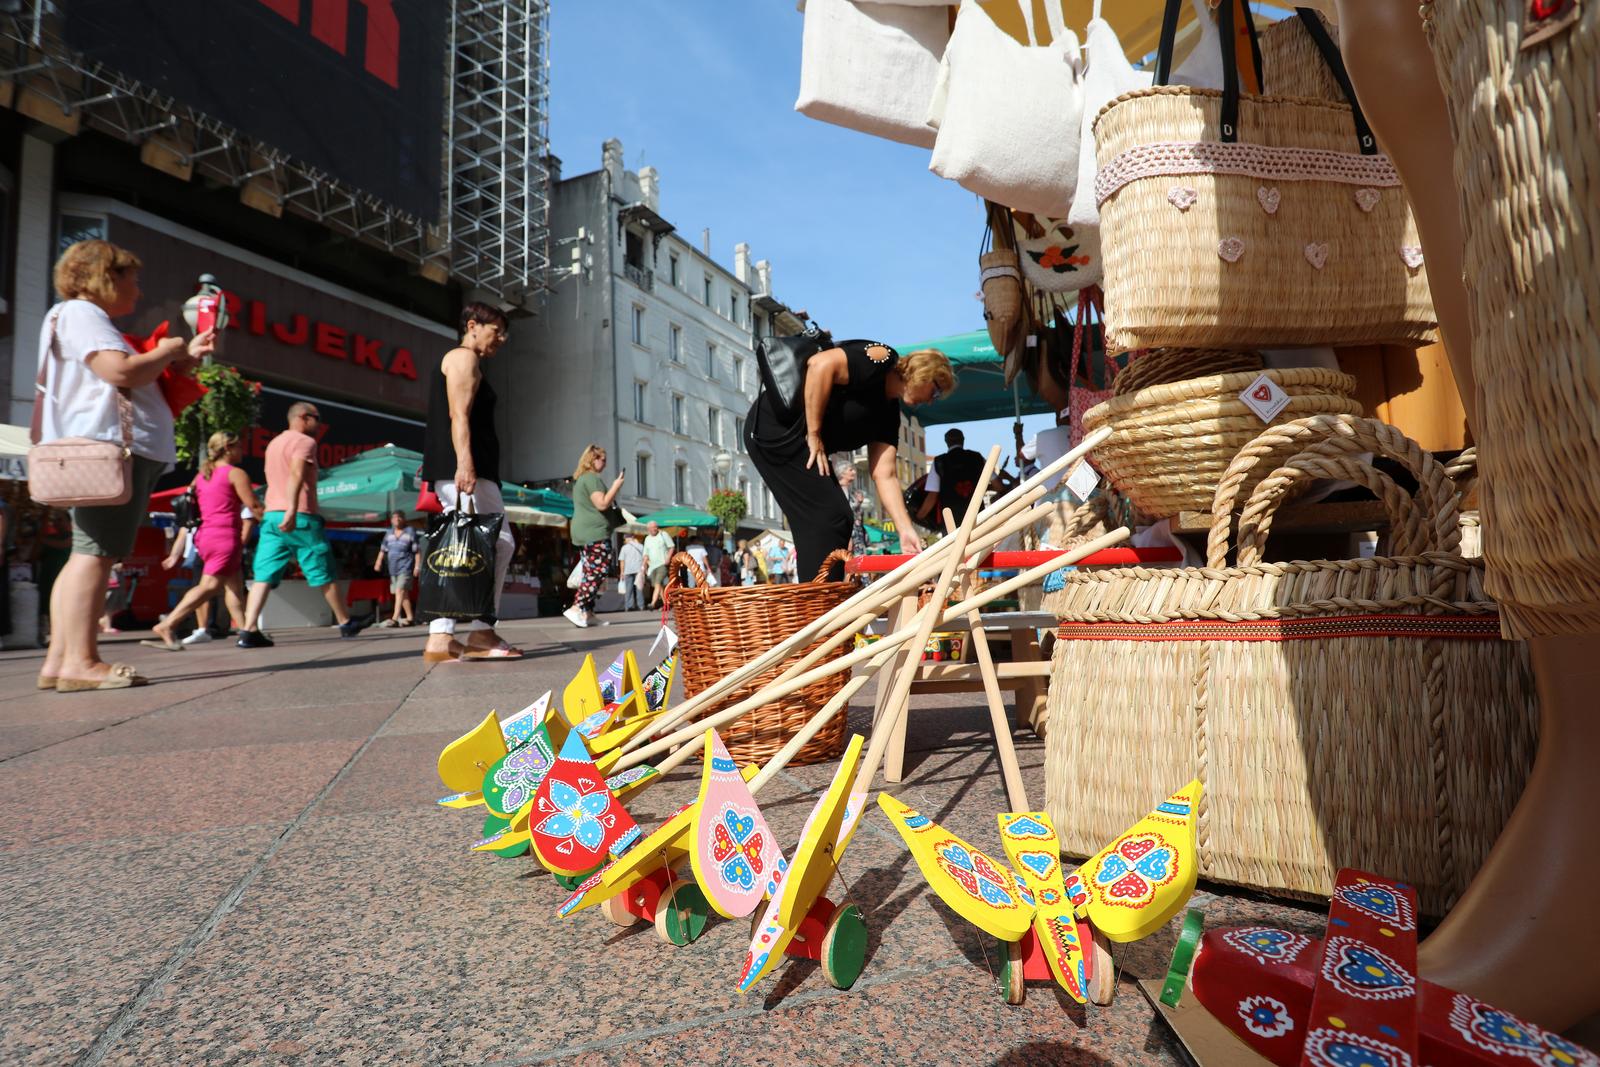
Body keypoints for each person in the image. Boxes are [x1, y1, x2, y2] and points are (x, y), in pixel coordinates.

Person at [36, 239, 215, 691]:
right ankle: (80, 661)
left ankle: (60, 661)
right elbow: (121, 372)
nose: (137, 287)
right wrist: (170, 349)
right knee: (95, 555)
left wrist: (180, 359)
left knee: (87, 553)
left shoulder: (74, 316)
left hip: (109, 447)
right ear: (105, 276)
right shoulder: (83, 314)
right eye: (130, 276)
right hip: (112, 447)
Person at [744, 340, 951, 577]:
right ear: (924, 373)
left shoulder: (889, 414)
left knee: (834, 519)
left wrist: (905, 529)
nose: (933, 400)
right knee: (831, 516)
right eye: (935, 391)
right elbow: (820, 365)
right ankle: (820, 603)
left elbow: (885, 474)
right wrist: (814, 434)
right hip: (775, 429)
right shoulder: (881, 359)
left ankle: (821, 598)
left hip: (799, 442)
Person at [420, 302, 520, 660]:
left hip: (457, 468)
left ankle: (442, 637)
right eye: (497, 330)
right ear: (473, 325)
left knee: (459, 545)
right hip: (464, 468)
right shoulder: (464, 358)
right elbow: (457, 415)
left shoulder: (462, 359)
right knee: (500, 541)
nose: (503, 338)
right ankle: (481, 632)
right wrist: (466, 464)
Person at [236, 402, 367, 647]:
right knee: (322, 570)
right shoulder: (305, 442)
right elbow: (296, 474)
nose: (319, 425)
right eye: (317, 419)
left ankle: (248, 629)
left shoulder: (274, 444)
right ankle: (345, 622)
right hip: (299, 516)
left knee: (263, 574)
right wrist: (293, 510)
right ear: (304, 418)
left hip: (271, 515)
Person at [142, 432, 260, 651]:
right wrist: (276, 523)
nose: (242, 451)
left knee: (234, 586)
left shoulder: (201, 476)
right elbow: (253, 507)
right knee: (210, 586)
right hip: (224, 536)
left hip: (206, 536)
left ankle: (248, 631)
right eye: (239, 447)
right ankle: (168, 624)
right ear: (228, 448)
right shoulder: (235, 474)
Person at [565, 443, 624, 627]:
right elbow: (602, 503)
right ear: (593, 459)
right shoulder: (592, 479)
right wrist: (616, 485)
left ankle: (587, 612)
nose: (605, 464)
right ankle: (577, 607)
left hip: (585, 532)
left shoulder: (582, 480)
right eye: (602, 459)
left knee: (590, 570)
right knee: (597, 571)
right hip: (594, 532)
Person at [917, 428, 991, 528]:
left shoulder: (939, 462)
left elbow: (932, 495)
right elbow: (998, 485)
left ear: (946, 442)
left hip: (951, 522)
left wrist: (919, 516)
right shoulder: (977, 458)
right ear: (963, 440)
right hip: (977, 518)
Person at [373, 510, 420, 627]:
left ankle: (394, 618)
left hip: (406, 566)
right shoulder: (389, 533)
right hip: (393, 568)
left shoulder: (410, 531)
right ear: (391, 520)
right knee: (402, 594)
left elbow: (417, 551)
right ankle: (410, 618)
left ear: (404, 519)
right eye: (395, 518)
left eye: (400, 517)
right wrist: (378, 562)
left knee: (400, 590)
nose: (397, 520)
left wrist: (417, 566)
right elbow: (383, 549)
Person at [833, 457, 870, 560]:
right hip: (848, 536)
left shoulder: (852, 492)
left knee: (861, 568)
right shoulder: (838, 491)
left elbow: (856, 516)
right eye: (850, 470)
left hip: (857, 537)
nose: (854, 472)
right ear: (842, 473)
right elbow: (842, 514)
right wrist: (848, 538)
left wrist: (859, 504)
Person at [643, 520, 672, 608]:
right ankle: (666, 604)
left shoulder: (663, 535)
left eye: (655, 527)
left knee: (657, 583)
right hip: (652, 566)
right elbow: (645, 554)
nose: (654, 529)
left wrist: (668, 558)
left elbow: (671, 546)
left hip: (662, 564)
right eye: (652, 527)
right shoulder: (647, 538)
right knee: (659, 586)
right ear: (648, 529)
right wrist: (644, 565)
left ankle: (653, 603)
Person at [617, 531, 645, 612]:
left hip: (627, 570)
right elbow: (645, 558)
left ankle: (629, 606)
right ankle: (641, 605)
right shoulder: (640, 546)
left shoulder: (624, 548)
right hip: (638, 570)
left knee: (628, 589)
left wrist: (621, 572)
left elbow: (622, 561)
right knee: (639, 588)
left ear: (627, 538)